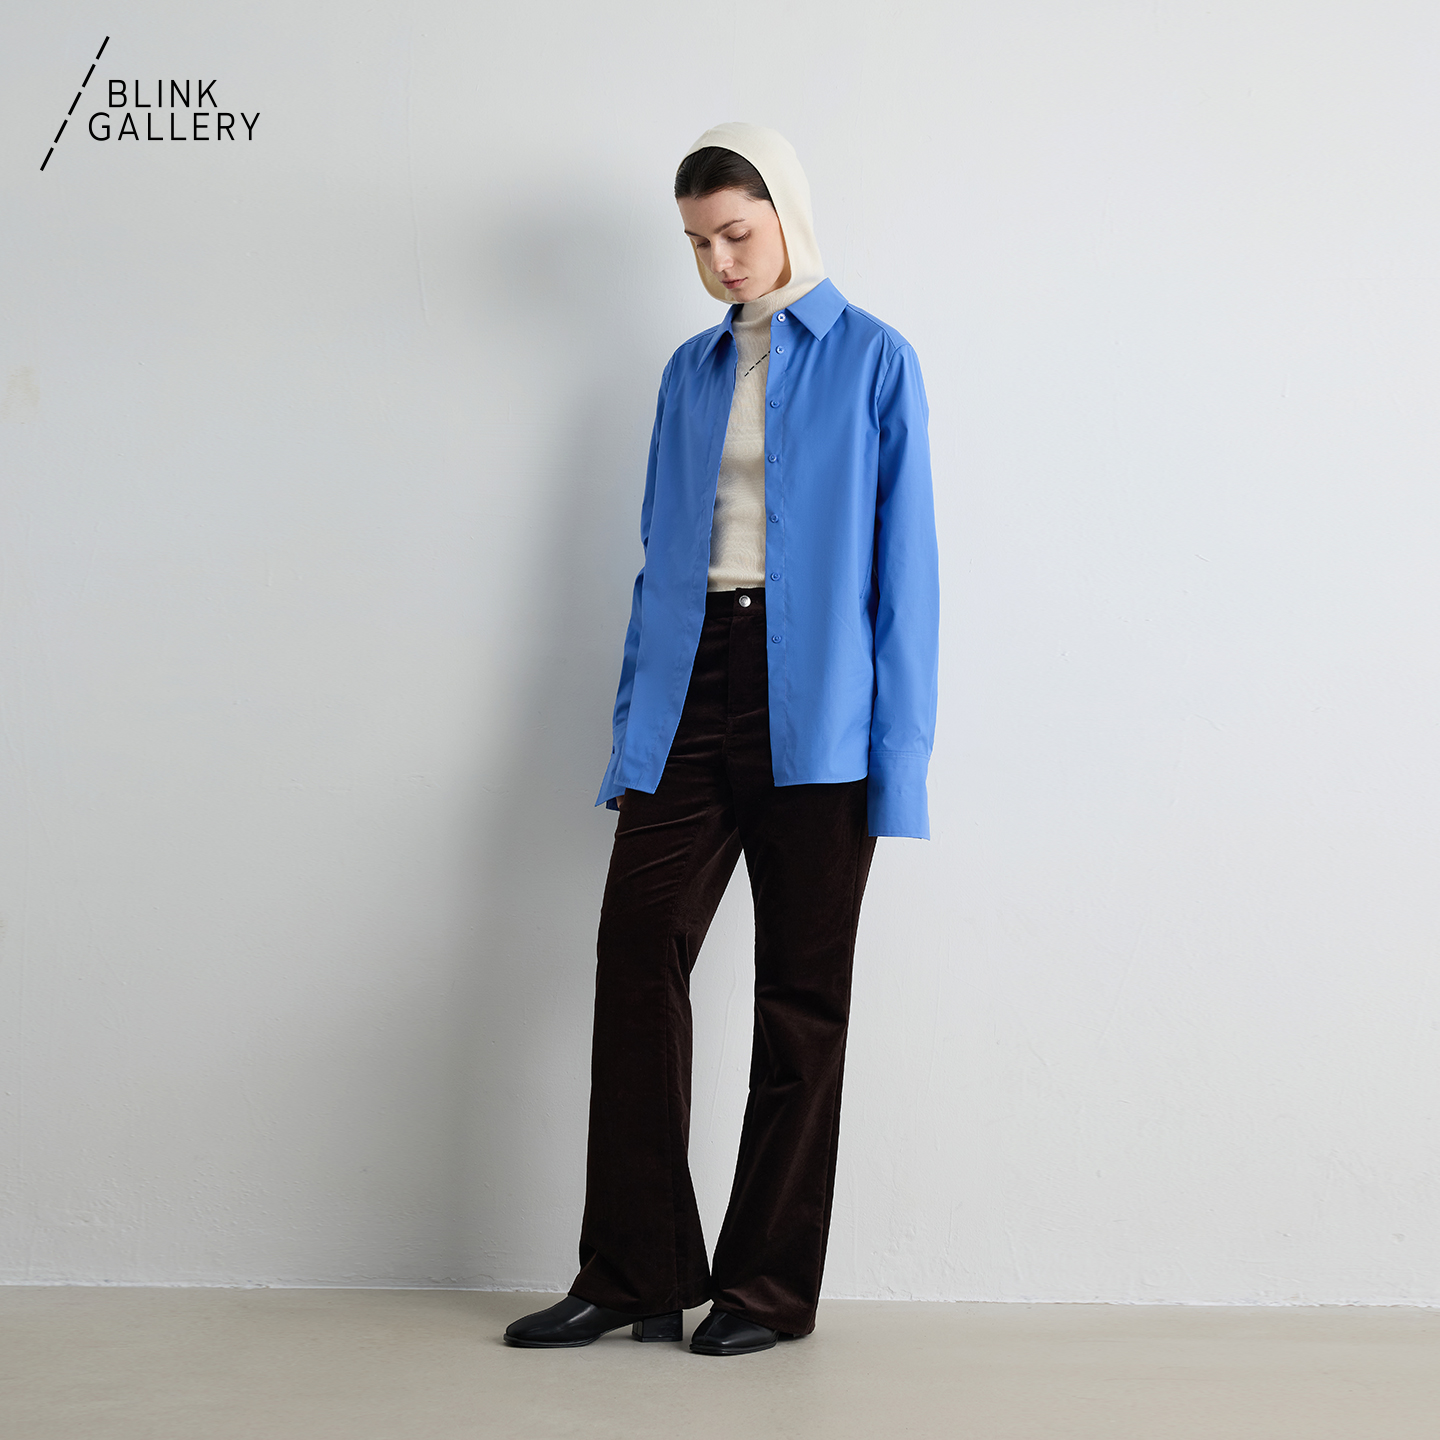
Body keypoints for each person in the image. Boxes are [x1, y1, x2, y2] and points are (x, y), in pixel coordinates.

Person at [505, 122, 939, 1357]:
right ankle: (635, 1269)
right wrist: (632, 734)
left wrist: (898, 764)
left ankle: (765, 1291)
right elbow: (661, 563)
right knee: (637, 957)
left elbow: (907, 579)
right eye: (698, 244)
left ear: (786, 213)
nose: (720, 261)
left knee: (800, 1000)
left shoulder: (875, 360)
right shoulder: (687, 374)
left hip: (823, 712)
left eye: (737, 234)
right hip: (690, 690)